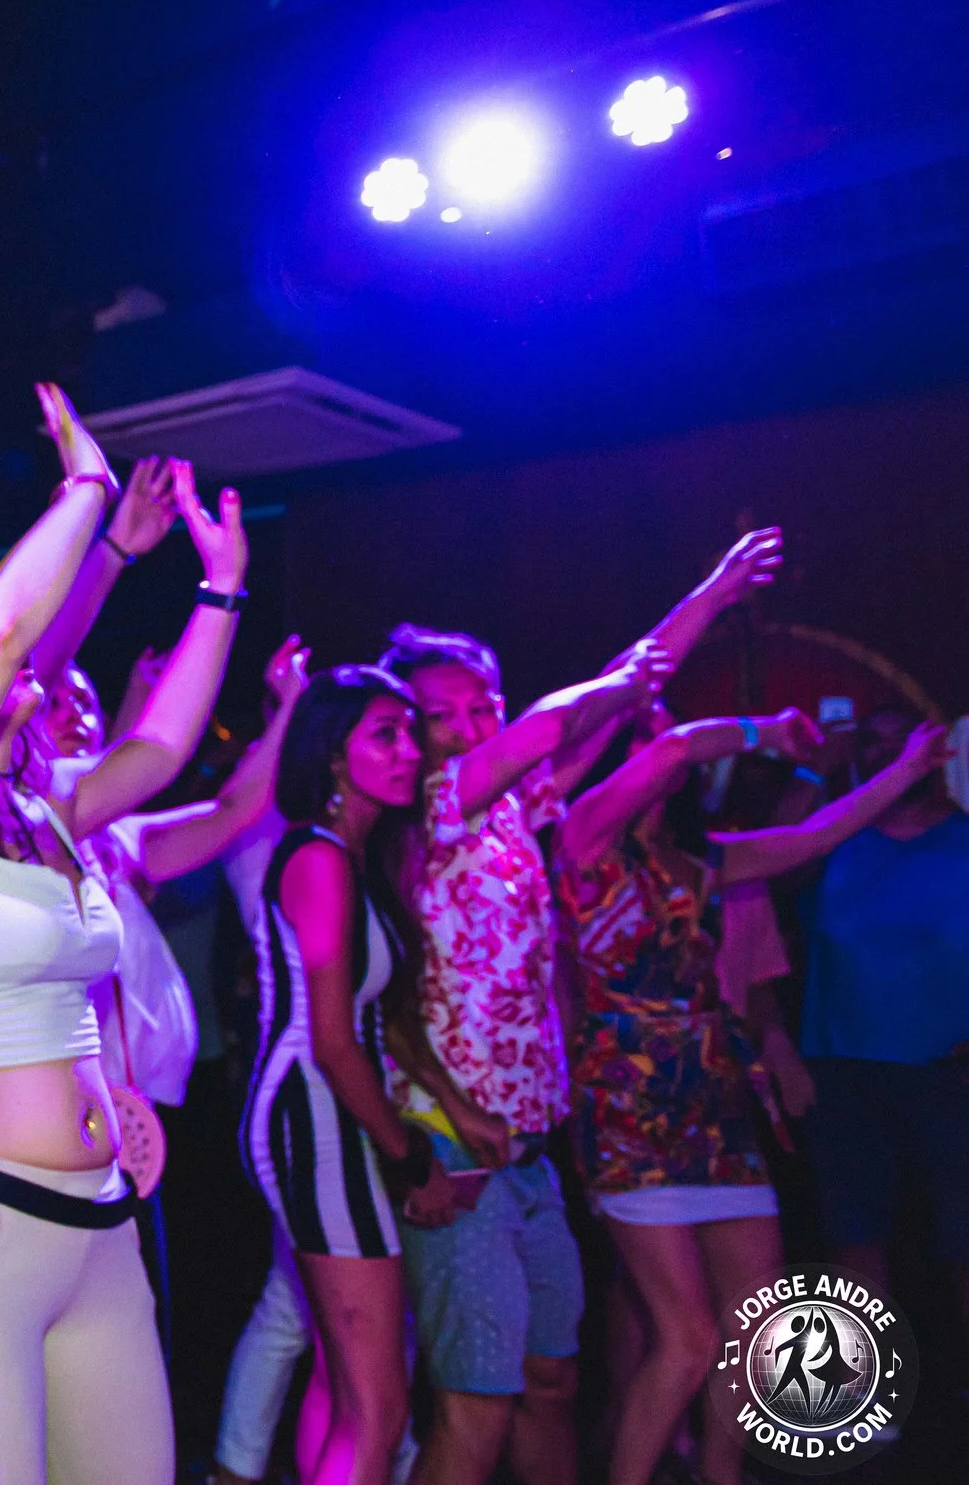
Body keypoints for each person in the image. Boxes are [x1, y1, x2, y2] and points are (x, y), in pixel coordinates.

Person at [0, 385, 246, 1485]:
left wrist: (221, 588)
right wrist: (84, 494)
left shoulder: (42, 807)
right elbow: (5, 629)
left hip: (97, 1226)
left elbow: (159, 748)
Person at [374, 529, 776, 1485]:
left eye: (484, 708)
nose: (470, 728)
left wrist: (711, 598)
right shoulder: (437, 806)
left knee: (551, 1381)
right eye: (443, 715)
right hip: (454, 1145)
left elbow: (615, 694)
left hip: (531, 1145)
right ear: (411, 731)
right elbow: (565, 719)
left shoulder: (518, 810)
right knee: (473, 1403)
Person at [553, 702, 948, 1485]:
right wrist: (766, 731)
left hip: (714, 1107)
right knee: (686, 1334)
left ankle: (721, 1475)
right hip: (632, 1113)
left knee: (751, 1325)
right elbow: (669, 748)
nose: (665, 753)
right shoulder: (582, 841)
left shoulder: (702, 863)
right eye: (643, 738)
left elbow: (809, 837)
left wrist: (905, 769)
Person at [243, 665, 464, 1485]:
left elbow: (370, 1027)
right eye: (385, 734)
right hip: (314, 1113)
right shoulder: (319, 858)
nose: (410, 751)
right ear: (332, 755)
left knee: (345, 1388)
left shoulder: (346, 857)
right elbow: (335, 1041)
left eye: (410, 733)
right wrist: (408, 1155)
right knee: (379, 1405)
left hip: (317, 1115)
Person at [796, 706, 969, 1395]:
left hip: (947, 1071)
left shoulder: (962, 838)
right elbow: (763, 864)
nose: (890, 754)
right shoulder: (835, 839)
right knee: (854, 1233)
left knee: (962, 1236)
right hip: (844, 1069)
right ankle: (859, 1394)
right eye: (873, 742)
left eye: (904, 742)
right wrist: (821, 766)